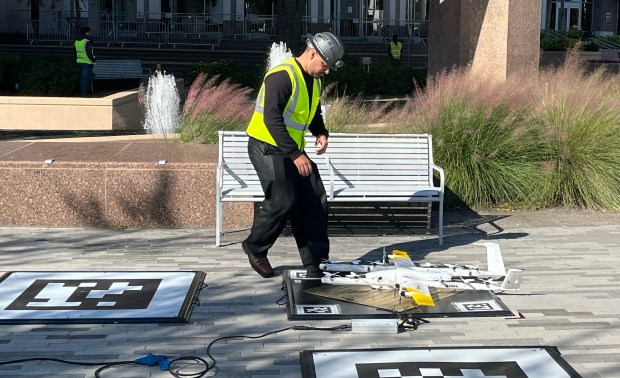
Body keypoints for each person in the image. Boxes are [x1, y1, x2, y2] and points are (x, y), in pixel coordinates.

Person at [242, 32, 345, 279]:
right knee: (283, 199)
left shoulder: (315, 79)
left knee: (313, 197)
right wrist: (296, 154)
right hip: (266, 146)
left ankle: (317, 261)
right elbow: (272, 119)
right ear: (312, 54)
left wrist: (321, 132)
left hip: (290, 149)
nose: (327, 71)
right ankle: (255, 248)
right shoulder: (281, 76)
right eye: (325, 65)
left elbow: (313, 113)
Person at [74, 26, 96, 97]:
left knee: (82, 79)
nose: (90, 34)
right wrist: (93, 60)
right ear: (87, 32)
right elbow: (89, 53)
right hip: (87, 62)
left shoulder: (77, 41)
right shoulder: (87, 41)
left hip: (79, 62)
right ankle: (84, 94)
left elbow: (74, 52)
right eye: (90, 32)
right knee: (86, 79)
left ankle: (82, 93)